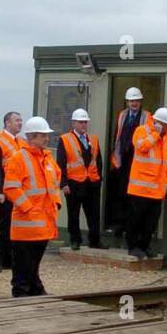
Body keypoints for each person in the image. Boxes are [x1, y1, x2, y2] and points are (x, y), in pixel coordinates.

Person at [1, 116, 62, 296]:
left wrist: (56, 203)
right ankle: (22, 292)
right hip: (26, 225)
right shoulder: (18, 158)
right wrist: (28, 208)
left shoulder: (48, 159)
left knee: (33, 262)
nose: (47, 138)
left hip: (44, 222)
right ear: (33, 137)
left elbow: (55, 181)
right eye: (43, 135)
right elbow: (11, 188)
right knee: (23, 264)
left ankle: (34, 289)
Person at [125, 106, 167, 261]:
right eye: (166, 125)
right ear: (158, 123)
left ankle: (145, 246)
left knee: (151, 222)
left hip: (157, 189)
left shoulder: (166, 137)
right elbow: (141, 147)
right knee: (136, 220)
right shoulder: (142, 131)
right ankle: (133, 247)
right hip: (140, 188)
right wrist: (155, 134)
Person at [106, 87, 149, 244]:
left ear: (140, 101)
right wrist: (115, 157)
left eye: (136, 100)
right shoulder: (122, 115)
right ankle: (120, 224)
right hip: (123, 159)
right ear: (127, 102)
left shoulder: (146, 117)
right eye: (131, 101)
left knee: (134, 196)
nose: (134, 103)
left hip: (138, 161)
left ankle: (133, 228)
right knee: (121, 193)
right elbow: (117, 136)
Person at [58, 107, 104, 251]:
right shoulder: (65, 139)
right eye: (81, 122)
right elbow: (61, 163)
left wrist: (98, 179)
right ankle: (75, 240)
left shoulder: (94, 139)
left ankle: (95, 240)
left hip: (92, 182)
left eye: (85, 122)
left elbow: (99, 160)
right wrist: (63, 183)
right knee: (73, 213)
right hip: (73, 183)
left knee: (94, 213)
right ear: (74, 123)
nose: (84, 125)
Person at [0, 111, 24, 272]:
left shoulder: (22, 142)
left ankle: (9, 260)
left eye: (21, 120)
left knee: (13, 226)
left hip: (18, 191)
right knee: (0, 226)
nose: (20, 123)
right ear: (7, 123)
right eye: (17, 120)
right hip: (4, 191)